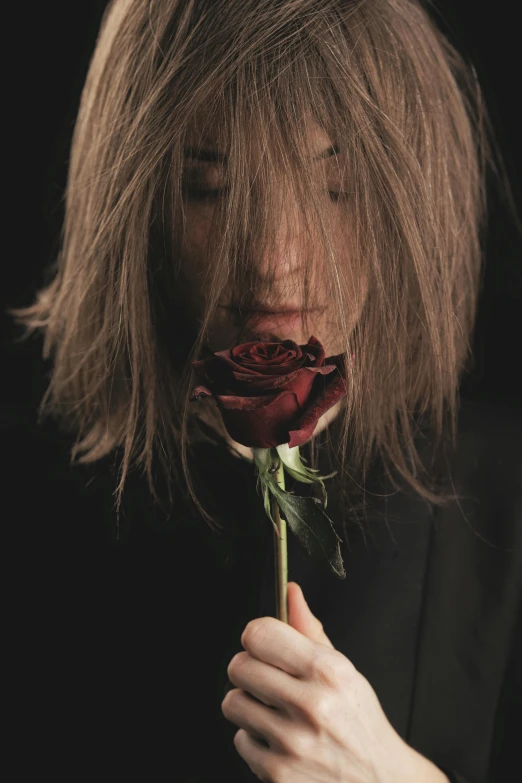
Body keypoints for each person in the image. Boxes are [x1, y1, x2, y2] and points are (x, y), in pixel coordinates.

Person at [5, 1, 521, 781]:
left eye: (337, 183)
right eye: (210, 188)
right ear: (136, 202)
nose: (274, 259)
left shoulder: (508, 498)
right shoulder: (28, 508)